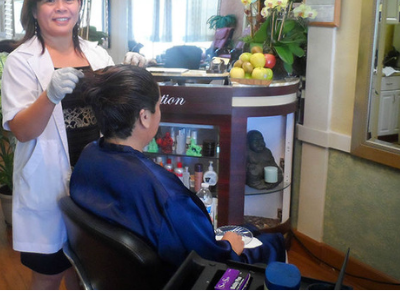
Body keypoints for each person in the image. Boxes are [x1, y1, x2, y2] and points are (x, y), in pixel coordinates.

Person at [70, 65, 286, 272]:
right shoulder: (167, 195)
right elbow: (209, 258)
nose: (159, 113)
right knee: (274, 243)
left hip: (116, 272)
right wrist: (229, 247)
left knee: (249, 229)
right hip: (176, 278)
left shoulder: (89, 156)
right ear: (145, 117)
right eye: (158, 107)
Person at [1, 0, 115, 290]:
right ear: (35, 10)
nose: (61, 7)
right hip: (47, 183)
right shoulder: (22, 61)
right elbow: (22, 130)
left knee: (86, 274)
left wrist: (131, 78)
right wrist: (50, 94)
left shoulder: (97, 55)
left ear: (80, 4)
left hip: (93, 182)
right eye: (50, 0)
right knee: (49, 275)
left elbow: (114, 114)